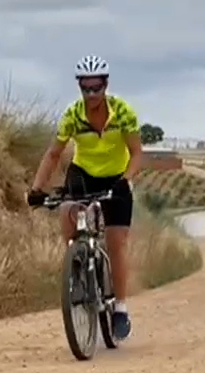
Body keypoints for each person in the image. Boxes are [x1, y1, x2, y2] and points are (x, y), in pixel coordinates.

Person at [25, 55, 143, 340]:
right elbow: (54, 154)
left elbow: (138, 153)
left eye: (96, 88)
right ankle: (77, 264)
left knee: (116, 242)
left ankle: (121, 309)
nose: (91, 95)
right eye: (85, 88)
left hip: (117, 176)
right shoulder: (73, 115)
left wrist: (126, 181)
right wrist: (37, 189)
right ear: (79, 87)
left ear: (106, 85)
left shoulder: (124, 112)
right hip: (83, 173)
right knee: (68, 210)